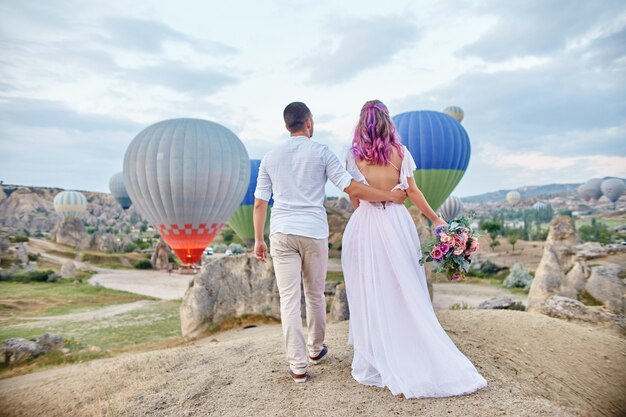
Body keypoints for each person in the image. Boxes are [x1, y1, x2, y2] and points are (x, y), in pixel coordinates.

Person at [341, 100, 487, 398]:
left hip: (365, 225)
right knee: (403, 284)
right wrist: (436, 219)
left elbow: (354, 198)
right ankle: (411, 343)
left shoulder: (352, 156)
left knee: (371, 286)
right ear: (387, 122)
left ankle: (378, 351)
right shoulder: (400, 153)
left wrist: (372, 197)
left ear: (362, 123)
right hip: (396, 223)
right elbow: (412, 192)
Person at [253, 102, 407, 383]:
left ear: (287, 125)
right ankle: (315, 350)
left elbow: (260, 203)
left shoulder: (269, 157)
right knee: (314, 294)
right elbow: (350, 186)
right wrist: (387, 196)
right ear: (308, 123)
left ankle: (297, 366)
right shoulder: (321, 151)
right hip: (313, 231)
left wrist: (258, 239)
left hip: (281, 232)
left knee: (289, 300)